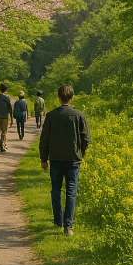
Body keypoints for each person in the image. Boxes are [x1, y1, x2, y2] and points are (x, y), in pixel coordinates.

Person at [39, 84, 91, 236]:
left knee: (55, 189)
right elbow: (85, 138)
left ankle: (57, 221)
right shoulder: (79, 115)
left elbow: (44, 139)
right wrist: (82, 151)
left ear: (58, 97)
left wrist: (44, 158)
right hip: (73, 159)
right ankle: (68, 226)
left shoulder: (51, 115)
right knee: (71, 191)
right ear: (72, 97)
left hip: (55, 158)